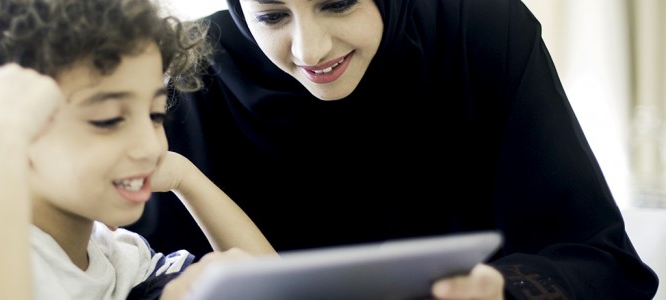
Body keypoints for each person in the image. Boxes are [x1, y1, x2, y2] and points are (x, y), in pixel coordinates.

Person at [124, 0, 660, 298]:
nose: (311, 49)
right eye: (272, 16)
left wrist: (500, 289)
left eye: (337, 3)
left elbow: (604, 265)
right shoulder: (190, 71)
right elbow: (120, 271)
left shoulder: (485, 35)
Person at [0, 0, 275, 299]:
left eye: (155, 114)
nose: (148, 145)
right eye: (108, 119)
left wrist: (185, 177)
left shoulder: (123, 259)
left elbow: (272, 288)